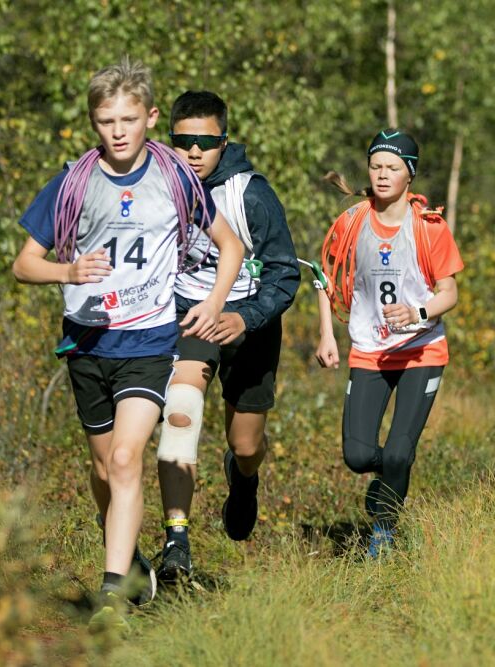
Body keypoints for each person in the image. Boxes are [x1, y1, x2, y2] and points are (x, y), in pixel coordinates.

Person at [12, 58, 244, 631]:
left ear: (151, 118)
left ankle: (111, 598)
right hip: (88, 342)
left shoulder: (174, 178)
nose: (117, 131)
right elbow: (24, 265)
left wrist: (213, 303)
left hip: (149, 340)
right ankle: (133, 565)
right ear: (93, 122)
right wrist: (68, 273)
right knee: (103, 471)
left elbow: (230, 246)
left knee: (124, 458)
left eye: (129, 118)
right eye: (105, 120)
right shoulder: (73, 181)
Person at [154, 90, 299, 581]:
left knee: (245, 445)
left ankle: (243, 480)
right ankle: (176, 540)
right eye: (184, 141)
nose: (194, 152)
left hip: (249, 323)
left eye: (206, 141)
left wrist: (244, 318)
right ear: (170, 140)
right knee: (180, 409)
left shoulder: (250, 194)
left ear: (224, 141)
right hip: (190, 316)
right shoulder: (157, 187)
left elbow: (284, 275)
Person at [315, 129, 463, 558]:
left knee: (399, 452)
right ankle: (389, 479)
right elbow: (324, 280)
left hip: (422, 350)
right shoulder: (351, 222)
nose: (382, 175)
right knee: (358, 455)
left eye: (392, 167)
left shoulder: (429, 227)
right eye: (376, 166)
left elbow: (449, 293)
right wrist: (327, 333)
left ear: (409, 174)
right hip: (369, 350)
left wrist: (418, 314)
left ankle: (383, 532)